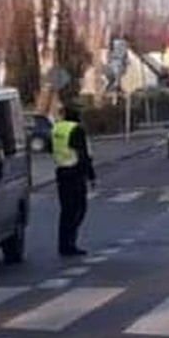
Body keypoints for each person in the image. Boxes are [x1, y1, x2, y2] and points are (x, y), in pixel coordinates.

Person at [50, 105, 97, 257]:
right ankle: (70, 243)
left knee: (66, 211)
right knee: (79, 209)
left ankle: (63, 244)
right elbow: (82, 154)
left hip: (61, 172)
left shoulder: (56, 129)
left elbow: (52, 149)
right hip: (75, 173)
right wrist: (91, 176)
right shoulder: (76, 129)